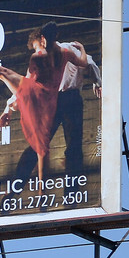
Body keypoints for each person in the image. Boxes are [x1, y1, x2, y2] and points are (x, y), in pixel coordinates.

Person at [0, 27, 62, 182]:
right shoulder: (37, 64)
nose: (37, 49)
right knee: (2, 72)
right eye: (35, 47)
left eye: (39, 45)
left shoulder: (61, 51)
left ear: (44, 40)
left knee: (42, 149)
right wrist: (8, 110)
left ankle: (42, 194)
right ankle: (41, 195)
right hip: (40, 98)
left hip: (51, 99)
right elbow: (23, 86)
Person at [48, 27, 102, 176]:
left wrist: (98, 82)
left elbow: (89, 63)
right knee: (71, 144)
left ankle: (72, 187)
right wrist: (97, 82)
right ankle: (72, 188)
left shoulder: (68, 48)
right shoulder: (46, 53)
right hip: (61, 98)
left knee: (71, 144)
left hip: (67, 97)